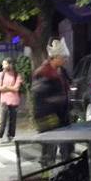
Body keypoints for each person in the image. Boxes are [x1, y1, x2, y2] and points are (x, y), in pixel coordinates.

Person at [33, 37, 72, 166]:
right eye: (63, 58)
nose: (65, 60)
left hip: (62, 114)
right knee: (49, 148)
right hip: (48, 116)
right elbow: (40, 95)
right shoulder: (43, 73)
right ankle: (47, 176)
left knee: (66, 146)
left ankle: (66, 170)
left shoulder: (61, 71)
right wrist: (58, 100)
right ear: (55, 57)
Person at [0, 59, 22, 142]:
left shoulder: (17, 75)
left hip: (14, 100)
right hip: (4, 100)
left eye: (5, 64)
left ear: (11, 65)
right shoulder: (1, 74)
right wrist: (11, 88)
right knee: (2, 119)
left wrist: (6, 88)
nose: (4, 66)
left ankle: (11, 135)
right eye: (3, 65)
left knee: (12, 119)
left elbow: (16, 88)